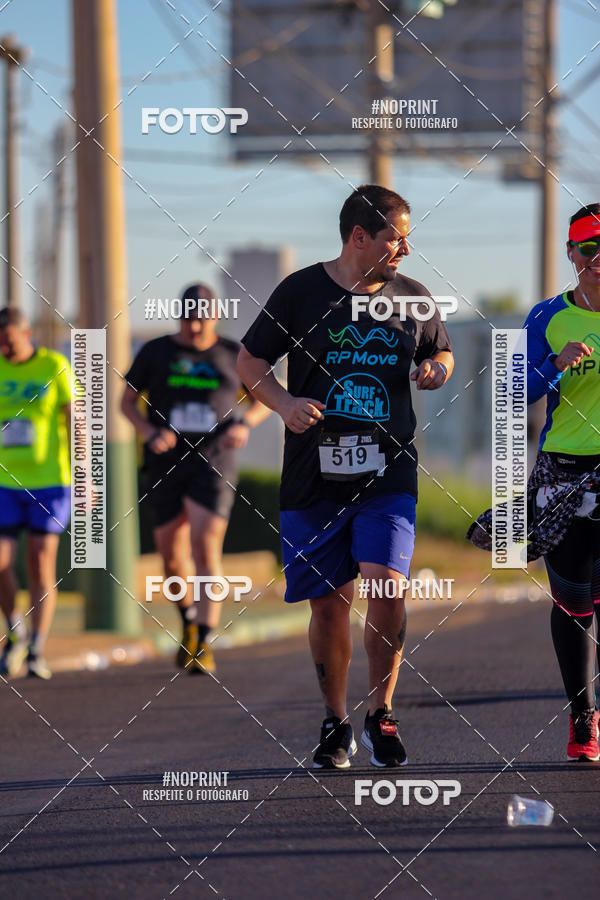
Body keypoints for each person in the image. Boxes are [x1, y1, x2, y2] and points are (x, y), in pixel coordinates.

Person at [238, 184, 453, 768]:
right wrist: (282, 404)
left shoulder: (413, 297)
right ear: (360, 237)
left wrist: (435, 367)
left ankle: (381, 714)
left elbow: (441, 351)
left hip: (388, 471)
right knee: (329, 606)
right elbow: (250, 361)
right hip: (314, 474)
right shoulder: (301, 292)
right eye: (396, 237)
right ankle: (335, 721)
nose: (405, 249)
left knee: (387, 584)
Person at [121, 283, 270, 675]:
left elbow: (264, 400)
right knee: (171, 556)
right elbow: (125, 401)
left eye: (202, 317)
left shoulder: (232, 353)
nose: (195, 325)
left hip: (214, 460)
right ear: (179, 316)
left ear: (215, 316)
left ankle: (203, 640)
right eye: (188, 317)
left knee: (206, 547)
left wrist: (244, 424)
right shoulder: (157, 352)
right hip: (166, 461)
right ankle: (188, 619)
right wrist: (148, 432)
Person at [521, 203, 600, 761]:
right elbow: (510, 392)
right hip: (564, 472)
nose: (598, 260)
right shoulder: (547, 316)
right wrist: (555, 364)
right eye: (588, 248)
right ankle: (581, 716)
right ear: (571, 254)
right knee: (575, 601)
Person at [0, 307, 72, 679]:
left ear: (26, 335)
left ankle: (37, 649)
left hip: (49, 481)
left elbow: (76, 417)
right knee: (0, 563)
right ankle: (17, 629)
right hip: (4, 482)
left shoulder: (53, 365)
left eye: (10, 342)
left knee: (40, 563)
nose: (5, 349)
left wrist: (87, 475)